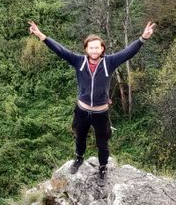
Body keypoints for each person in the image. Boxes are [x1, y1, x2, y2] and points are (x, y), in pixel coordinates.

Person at [27, 18, 155, 178]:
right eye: (91, 48)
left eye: (97, 48)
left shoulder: (110, 62)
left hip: (101, 113)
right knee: (80, 137)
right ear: (86, 49)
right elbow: (60, 50)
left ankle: (102, 168)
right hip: (82, 110)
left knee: (103, 143)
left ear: (102, 49)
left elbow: (128, 53)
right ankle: (79, 159)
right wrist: (41, 35)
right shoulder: (79, 61)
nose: (94, 51)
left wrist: (143, 39)